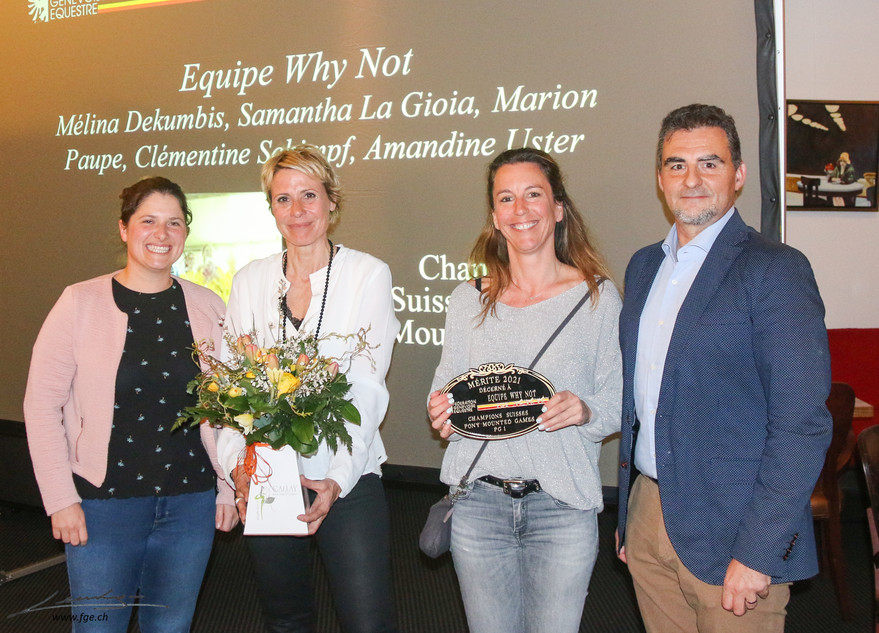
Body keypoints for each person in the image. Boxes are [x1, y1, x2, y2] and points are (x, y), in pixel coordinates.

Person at [615, 104, 833, 633]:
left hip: (735, 531)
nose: (691, 180)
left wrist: (759, 552)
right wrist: (630, 518)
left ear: (738, 175)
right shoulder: (644, 266)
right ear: (660, 178)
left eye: (709, 164)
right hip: (649, 513)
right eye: (677, 165)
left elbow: (801, 425)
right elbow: (640, 398)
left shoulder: (775, 270)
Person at [23, 177, 237, 632]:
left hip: (190, 504)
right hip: (103, 506)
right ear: (124, 229)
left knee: (171, 628)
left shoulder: (207, 305)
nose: (162, 234)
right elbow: (41, 407)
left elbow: (228, 409)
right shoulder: (79, 302)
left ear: (185, 232)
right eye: (148, 221)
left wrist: (227, 488)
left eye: (174, 223)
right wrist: (60, 499)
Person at [427, 147, 622, 633]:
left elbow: (618, 404)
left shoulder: (597, 298)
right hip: (478, 507)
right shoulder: (466, 300)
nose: (521, 209)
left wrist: (584, 410)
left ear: (558, 208)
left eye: (534, 194)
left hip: (562, 509)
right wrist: (441, 412)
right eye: (506, 198)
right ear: (495, 217)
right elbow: (446, 393)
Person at [218, 145, 400, 633]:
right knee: (286, 620)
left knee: (368, 621)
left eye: (309, 196)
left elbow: (366, 387)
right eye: (283, 199)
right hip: (267, 478)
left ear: (331, 201)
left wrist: (337, 477)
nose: (296, 211)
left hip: (346, 476)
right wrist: (237, 466)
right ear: (271, 208)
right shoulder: (249, 280)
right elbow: (230, 390)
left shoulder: (367, 274)